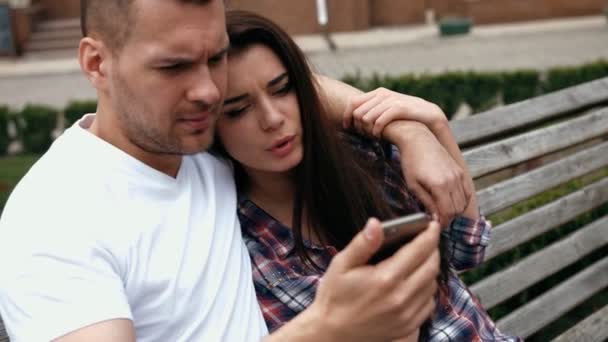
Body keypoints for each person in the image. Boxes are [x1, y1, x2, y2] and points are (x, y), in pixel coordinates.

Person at [0, 1, 474, 341]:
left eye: (216, 57)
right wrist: (328, 328)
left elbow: (290, 89)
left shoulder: (199, 142)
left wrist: (412, 130)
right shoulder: (52, 219)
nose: (208, 90)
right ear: (97, 63)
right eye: (175, 66)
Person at [215, 10, 521, 341]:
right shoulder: (241, 247)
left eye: (283, 89)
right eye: (238, 110)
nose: (272, 119)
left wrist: (432, 126)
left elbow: (465, 248)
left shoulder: (361, 157)